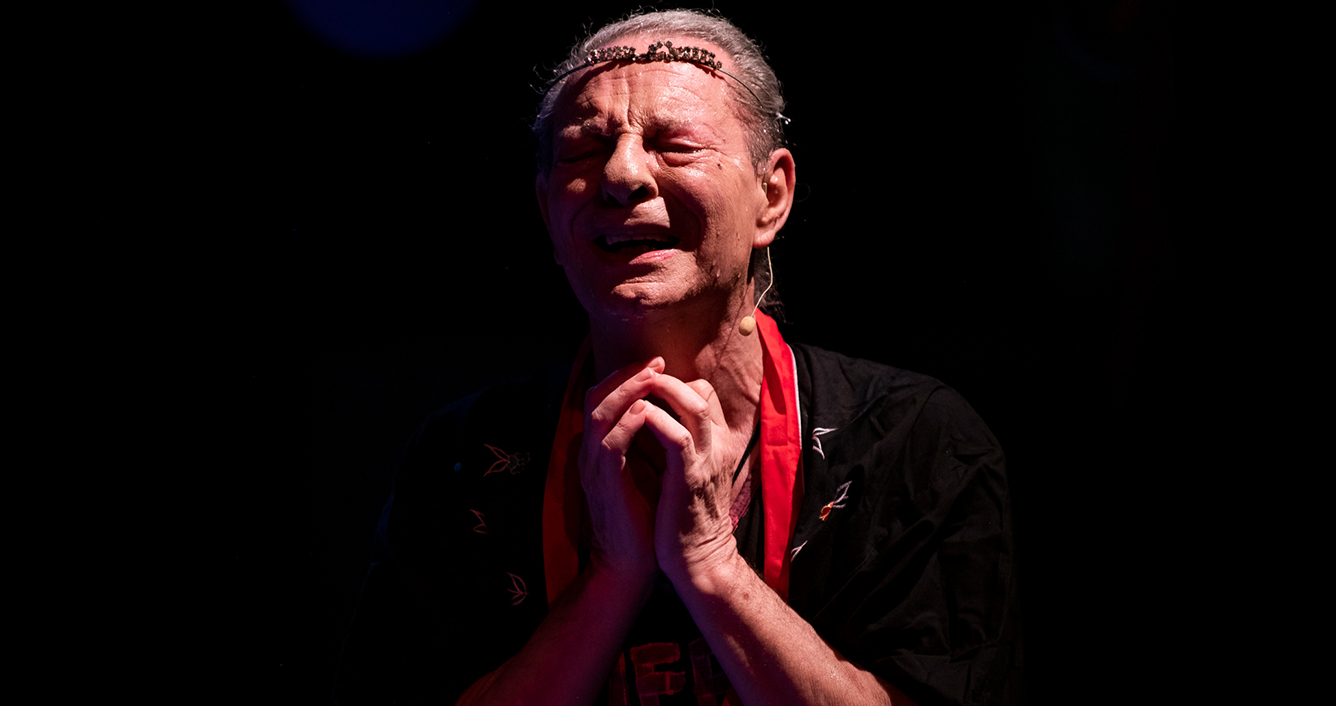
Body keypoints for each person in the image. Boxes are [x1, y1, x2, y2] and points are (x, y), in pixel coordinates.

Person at [336, 10, 1014, 706]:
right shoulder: (461, 463)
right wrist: (608, 578)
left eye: (674, 144)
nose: (622, 174)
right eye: (583, 151)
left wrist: (712, 567)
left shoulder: (914, 444)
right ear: (546, 213)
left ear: (771, 196)